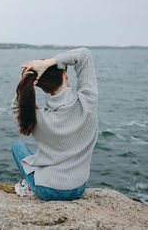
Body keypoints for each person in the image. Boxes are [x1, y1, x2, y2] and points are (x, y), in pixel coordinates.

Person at [11, 47, 98, 201]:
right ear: (65, 74)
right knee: (45, 154)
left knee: (18, 147)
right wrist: (51, 62)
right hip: (78, 188)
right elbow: (84, 55)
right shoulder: (88, 102)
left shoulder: (36, 118)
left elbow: (17, 107)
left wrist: (25, 81)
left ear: (43, 90)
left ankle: (28, 185)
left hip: (47, 190)